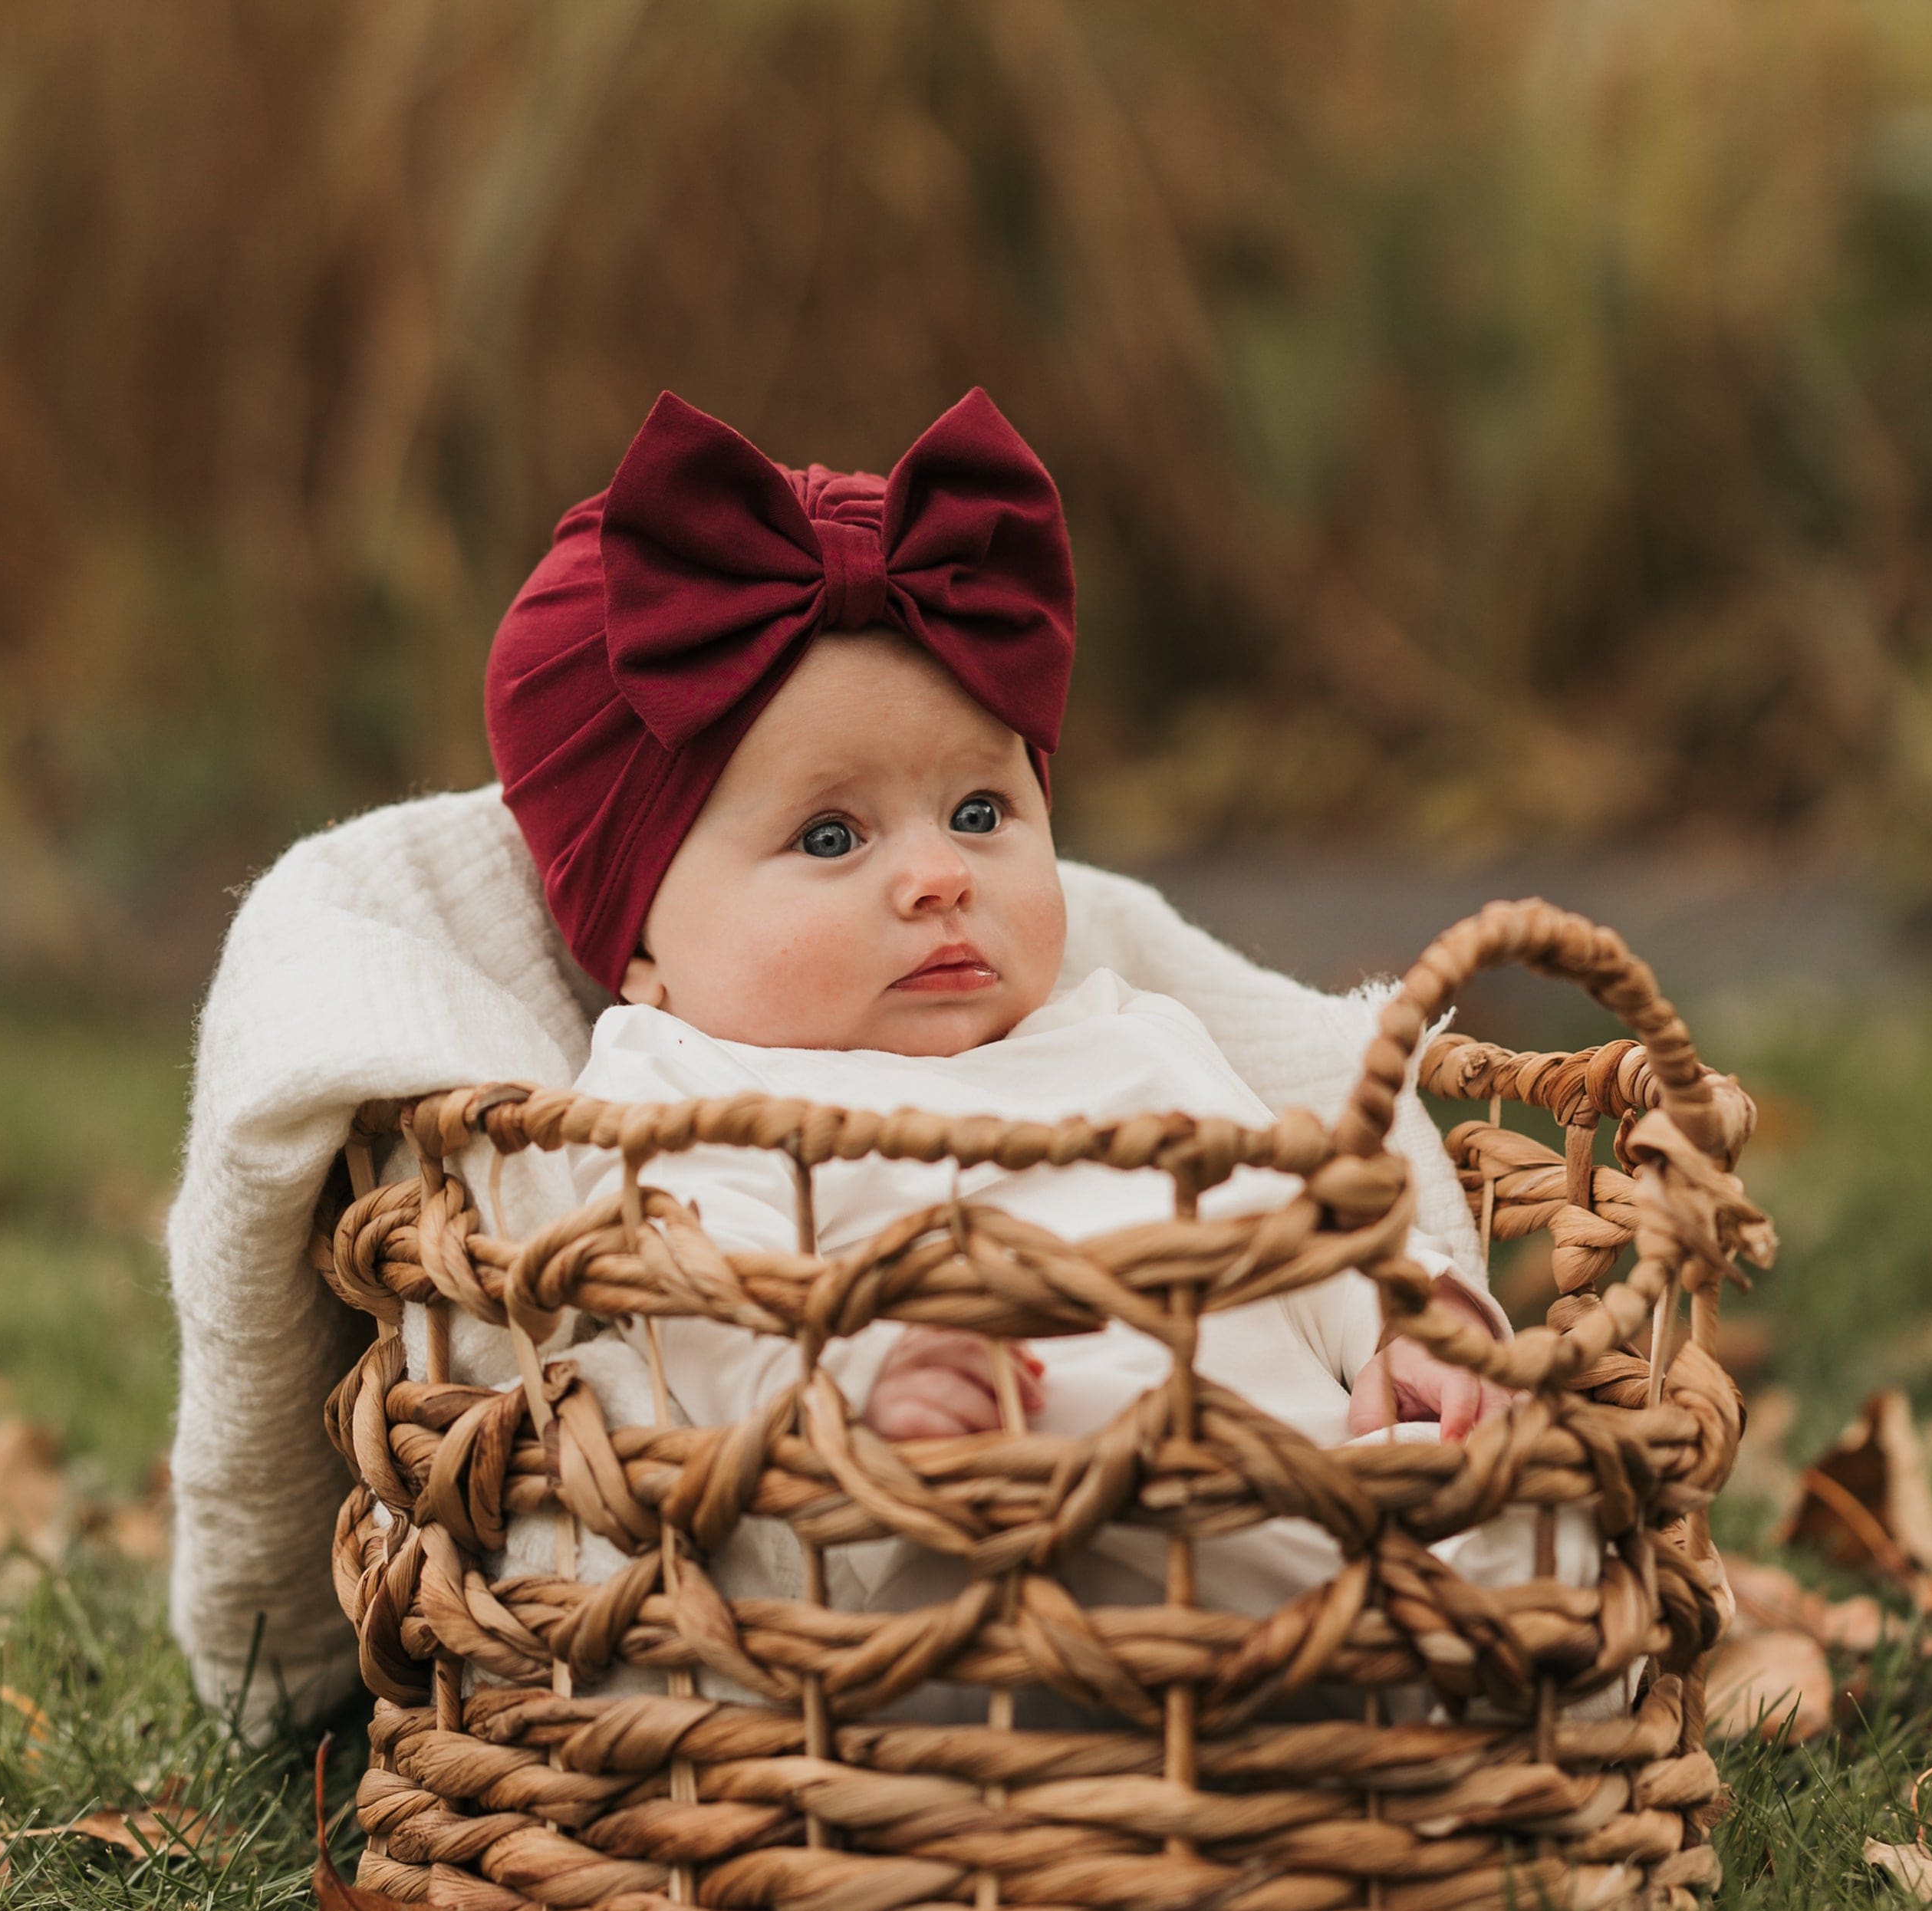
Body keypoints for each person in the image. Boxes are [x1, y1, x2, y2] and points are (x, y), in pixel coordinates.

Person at [485, 388, 1568, 1649]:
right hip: (991, 1545)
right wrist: (858, 1383)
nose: (940, 876)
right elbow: (685, 1305)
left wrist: (1411, 1313)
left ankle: (1434, 1685)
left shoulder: (1125, 1033)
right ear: (642, 944)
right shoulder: (676, 1082)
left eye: (983, 813)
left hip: (1302, 1498)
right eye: (830, 836)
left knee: (1547, 1505)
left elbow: (1302, 1212)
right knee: (1001, 1612)